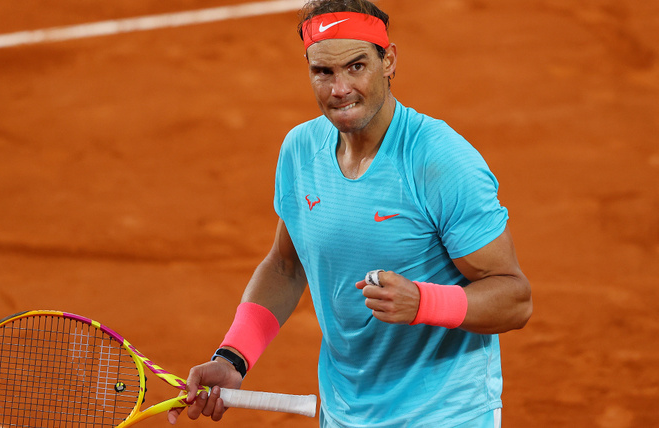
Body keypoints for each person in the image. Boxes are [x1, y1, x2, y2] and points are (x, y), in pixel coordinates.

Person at [168, 0, 532, 426]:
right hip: (345, 412)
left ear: (388, 61)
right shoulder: (301, 150)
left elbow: (515, 298)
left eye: (356, 66)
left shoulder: (439, 161)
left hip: (444, 414)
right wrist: (233, 357)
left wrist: (424, 302)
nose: (339, 89)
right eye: (323, 72)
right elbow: (286, 266)